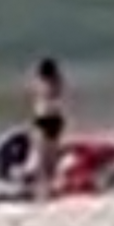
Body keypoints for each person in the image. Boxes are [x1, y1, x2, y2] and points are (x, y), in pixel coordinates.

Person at [26, 57, 67, 201]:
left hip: (43, 118)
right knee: (52, 157)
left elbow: (36, 97)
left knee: (42, 158)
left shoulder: (41, 84)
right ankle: (51, 188)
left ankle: (43, 192)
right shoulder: (58, 83)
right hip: (56, 119)